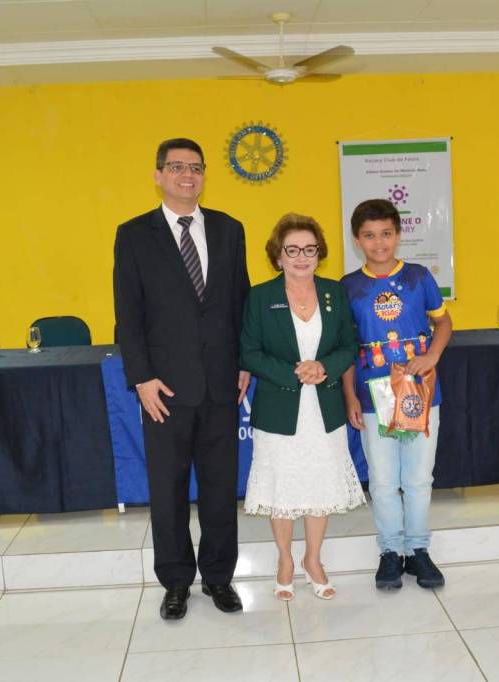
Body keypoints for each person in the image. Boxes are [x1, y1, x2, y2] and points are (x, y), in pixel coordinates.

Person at [113, 138, 250, 619]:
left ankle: (219, 577)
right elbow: (128, 313)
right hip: (164, 390)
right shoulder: (134, 235)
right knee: (168, 490)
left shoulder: (230, 229)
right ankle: (175, 582)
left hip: (222, 384)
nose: (186, 175)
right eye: (176, 167)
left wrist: (245, 361)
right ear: (158, 175)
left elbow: (241, 302)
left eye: (195, 167)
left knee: (220, 489)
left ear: (204, 175)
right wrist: (141, 378)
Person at [240, 214, 365, 601]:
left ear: (319, 254)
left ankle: (313, 559)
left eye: (309, 249)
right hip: (278, 409)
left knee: (320, 485)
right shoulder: (260, 297)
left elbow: (349, 345)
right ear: (278, 256)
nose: (301, 257)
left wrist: (323, 367)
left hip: (324, 407)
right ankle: (284, 560)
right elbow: (249, 352)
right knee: (282, 488)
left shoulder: (334, 293)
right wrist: (295, 372)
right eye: (292, 250)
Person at [342, 198, 453, 590]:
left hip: (418, 392)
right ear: (357, 240)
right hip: (373, 396)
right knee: (384, 479)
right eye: (370, 236)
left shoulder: (419, 277)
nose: (379, 243)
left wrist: (432, 355)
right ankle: (390, 551)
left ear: (399, 234)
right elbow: (345, 348)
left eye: (386, 234)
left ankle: (418, 549)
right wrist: (350, 397)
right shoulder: (348, 287)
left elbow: (443, 323)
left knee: (419, 477)